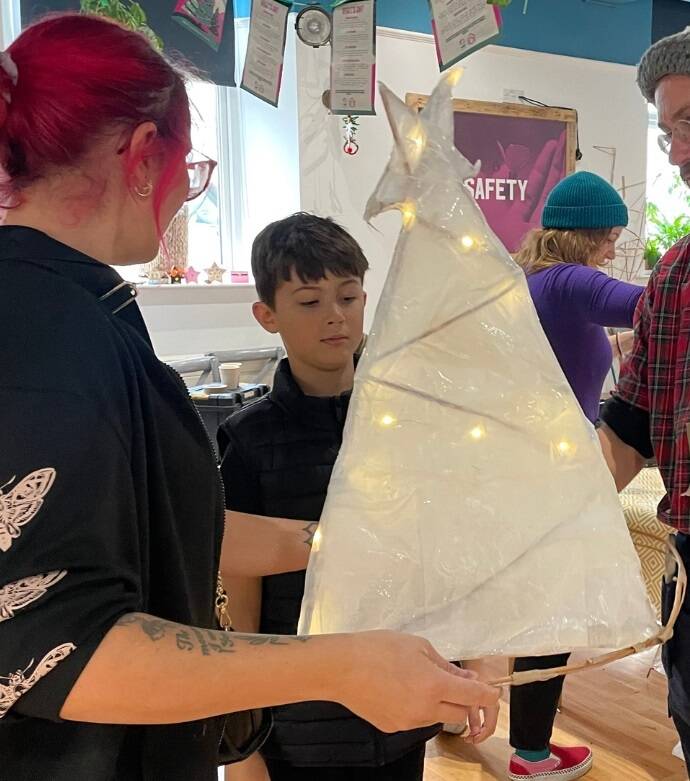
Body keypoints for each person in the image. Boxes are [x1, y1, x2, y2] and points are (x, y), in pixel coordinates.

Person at [0, 14, 501, 781]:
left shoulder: (68, 312)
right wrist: (334, 666)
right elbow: (60, 646)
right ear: (142, 155)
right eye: (189, 169)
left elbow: (153, 521)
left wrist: (341, 540)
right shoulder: (46, 337)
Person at [219, 213, 498, 781]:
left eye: (348, 297)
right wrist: (244, 738)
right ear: (266, 314)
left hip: (400, 704)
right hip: (300, 717)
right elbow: (241, 596)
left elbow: (442, 554)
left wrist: (471, 663)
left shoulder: (404, 421)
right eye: (309, 301)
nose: (335, 316)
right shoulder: (250, 439)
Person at [508, 171, 644, 781]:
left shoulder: (534, 282)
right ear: (586, 234)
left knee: (526, 601)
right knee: (551, 610)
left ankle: (468, 721)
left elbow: (567, 356)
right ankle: (531, 755)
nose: (613, 248)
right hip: (554, 469)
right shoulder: (570, 281)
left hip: (530, 461)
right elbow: (651, 304)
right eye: (610, 236)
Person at [598, 26, 690, 771]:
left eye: (689, 122)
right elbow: (627, 433)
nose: (679, 151)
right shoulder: (673, 278)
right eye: (667, 132)